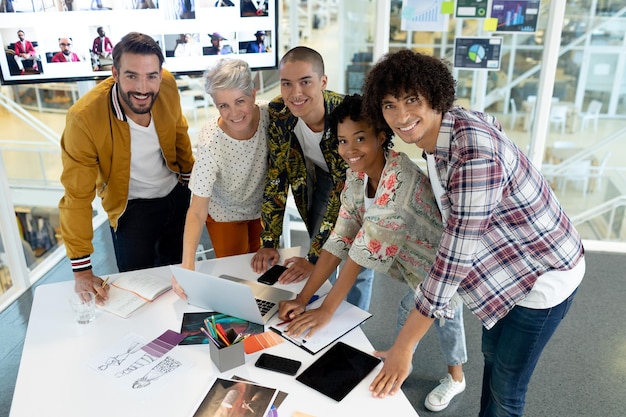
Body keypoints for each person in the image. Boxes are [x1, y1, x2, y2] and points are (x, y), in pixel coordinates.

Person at [362, 49, 585, 417]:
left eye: (412, 100)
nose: (401, 116)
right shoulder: (440, 135)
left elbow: (454, 259)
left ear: (435, 96)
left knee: (506, 391)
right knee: (492, 356)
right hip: (507, 265)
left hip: (543, 277)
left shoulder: (474, 156)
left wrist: (404, 347)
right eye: (389, 105)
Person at [278, 94, 468, 412]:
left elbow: (359, 254)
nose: (350, 149)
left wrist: (325, 309)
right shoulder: (358, 174)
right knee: (408, 311)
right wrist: (302, 297)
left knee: (447, 321)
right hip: (414, 269)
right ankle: (398, 359)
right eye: (342, 141)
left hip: (444, 271)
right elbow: (340, 238)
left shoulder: (398, 184)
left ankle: (456, 378)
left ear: (382, 136)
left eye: (360, 138)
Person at [58, 32, 194, 304]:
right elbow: (77, 197)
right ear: (115, 74)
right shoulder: (84, 118)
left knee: (183, 285)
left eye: (151, 76)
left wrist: (192, 185)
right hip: (131, 209)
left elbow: (179, 132)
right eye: (132, 76)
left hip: (176, 196)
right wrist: (82, 269)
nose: (143, 87)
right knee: (138, 294)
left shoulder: (166, 85)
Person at [250, 46, 374, 311]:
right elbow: (277, 176)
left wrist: (315, 257)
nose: (296, 93)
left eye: (305, 82)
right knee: (319, 250)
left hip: (363, 186)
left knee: (358, 259)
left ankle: (354, 323)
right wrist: (269, 241)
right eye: (287, 84)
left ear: (323, 82)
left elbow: (344, 193)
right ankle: (318, 311)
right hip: (324, 180)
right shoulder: (280, 113)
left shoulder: (345, 117)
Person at [176, 58, 269, 281]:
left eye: (240, 101)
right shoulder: (211, 141)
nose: (234, 113)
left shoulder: (270, 116)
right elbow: (197, 211)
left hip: (260, 208)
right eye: (223, 106)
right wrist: (187, 265)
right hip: (224, 213)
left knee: (262, 272)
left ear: (253, 95)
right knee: (236, 277)